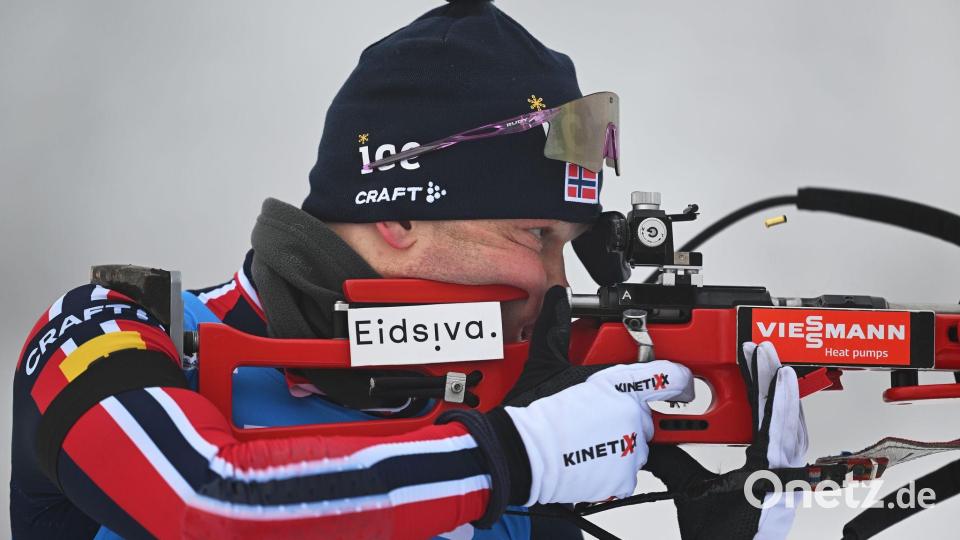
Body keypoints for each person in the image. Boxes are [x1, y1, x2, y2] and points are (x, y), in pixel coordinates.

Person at [10, 1, 806, 539]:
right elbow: (200, 497)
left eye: (568, 242)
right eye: (534, 232)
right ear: (396, 214)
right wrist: (514, 457)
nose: (558, 284)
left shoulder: (514, 392)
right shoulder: (115, 326)